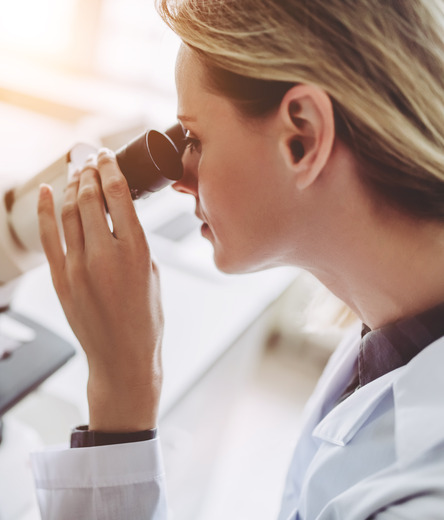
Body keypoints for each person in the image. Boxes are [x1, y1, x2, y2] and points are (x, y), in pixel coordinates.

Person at [30, 0, 444, 518]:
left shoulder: (425, 497)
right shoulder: (395, 328)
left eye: (195, 139)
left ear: (303, 138)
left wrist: (120, 396)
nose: (179, 179)